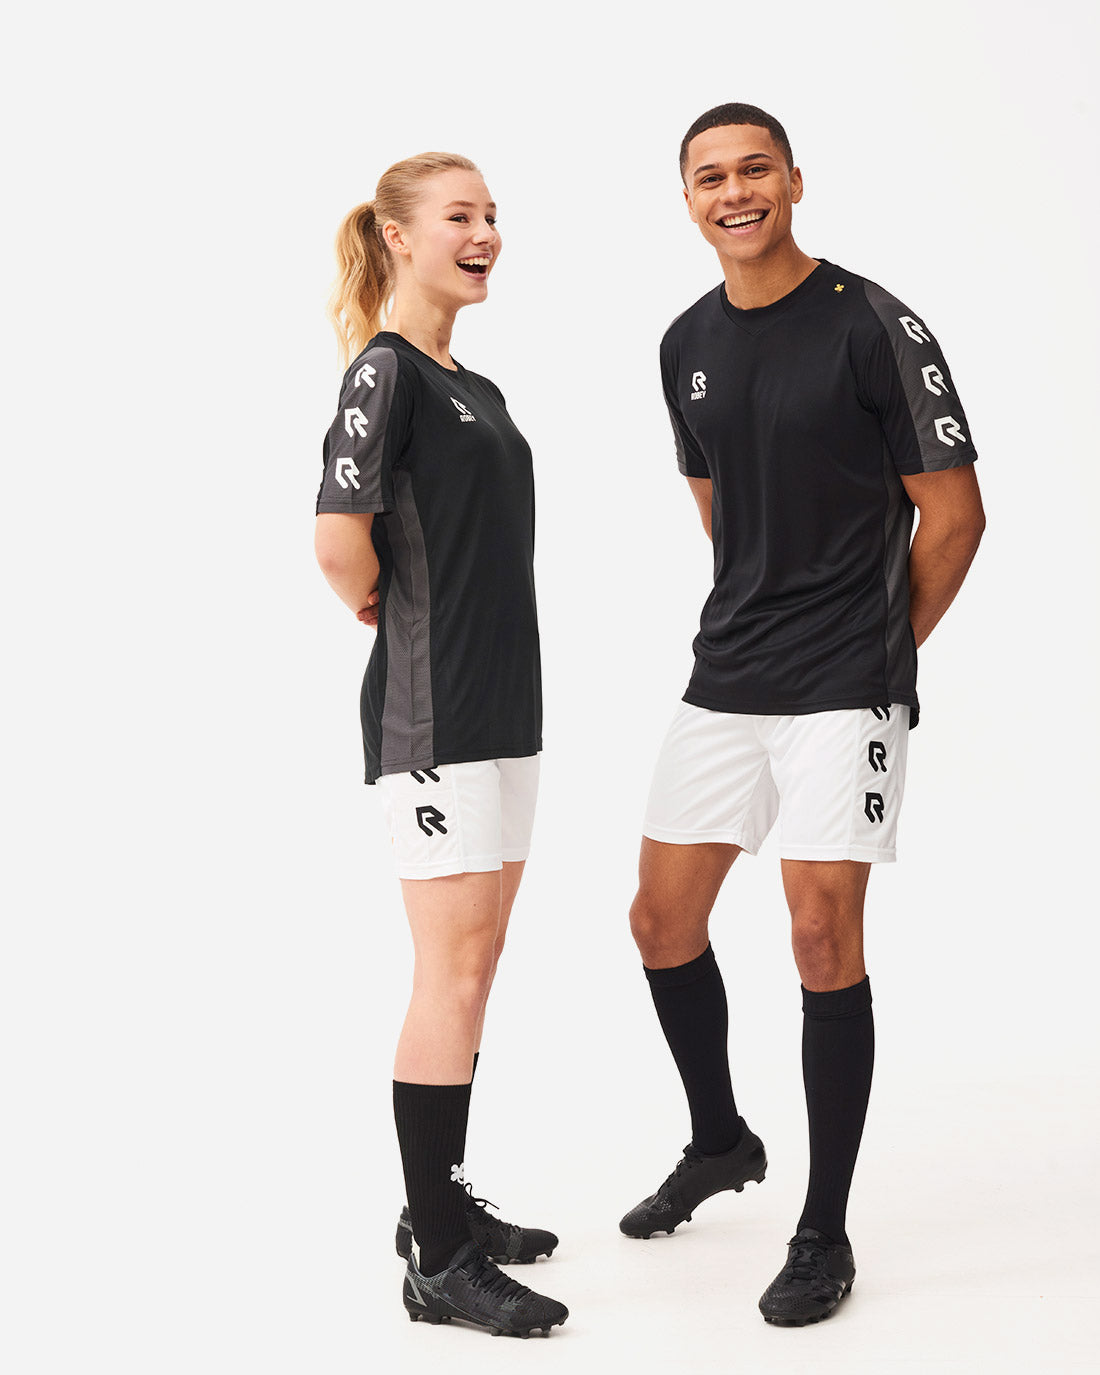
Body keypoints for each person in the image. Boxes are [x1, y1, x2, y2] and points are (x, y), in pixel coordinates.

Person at [619, 104, 985, 1327]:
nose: (733, 192)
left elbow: (954, 515)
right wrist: (768, 616)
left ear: (791, 180)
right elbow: (718, 510)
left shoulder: (872, 323)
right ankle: (719, 1139)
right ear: (686, 201)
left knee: (821, 937)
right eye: (708, 178)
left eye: (753, 170)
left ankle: (822, 1227)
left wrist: (872, 653)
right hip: (728, 672)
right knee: (659, 920)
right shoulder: (683, 342)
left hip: (843, 682)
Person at [314, 152, 567, 1338]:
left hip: (503, 710)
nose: (484, 233)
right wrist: (390, 609)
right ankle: (437, 1257)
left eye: (491, 215)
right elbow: (338, 543)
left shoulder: (475, 383)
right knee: (448, 973)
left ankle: (441, 1204)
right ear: (399, 237)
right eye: (459, 215)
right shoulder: (385, 371)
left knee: (478, 964)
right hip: (434, 719)